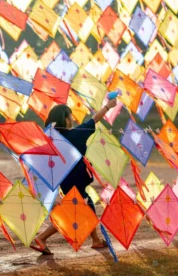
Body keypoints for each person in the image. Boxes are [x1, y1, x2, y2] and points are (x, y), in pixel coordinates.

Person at [30, 98, 117, 255]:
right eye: (70, 115)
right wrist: (108, 106)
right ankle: (41, 238)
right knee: (72, 213)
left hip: (67, 181)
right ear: (65, 118)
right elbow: (94, 119)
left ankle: (96, 240)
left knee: (88, 205)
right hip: (76, 180)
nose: (72, 118)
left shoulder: (53, 139)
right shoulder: (74, 135)